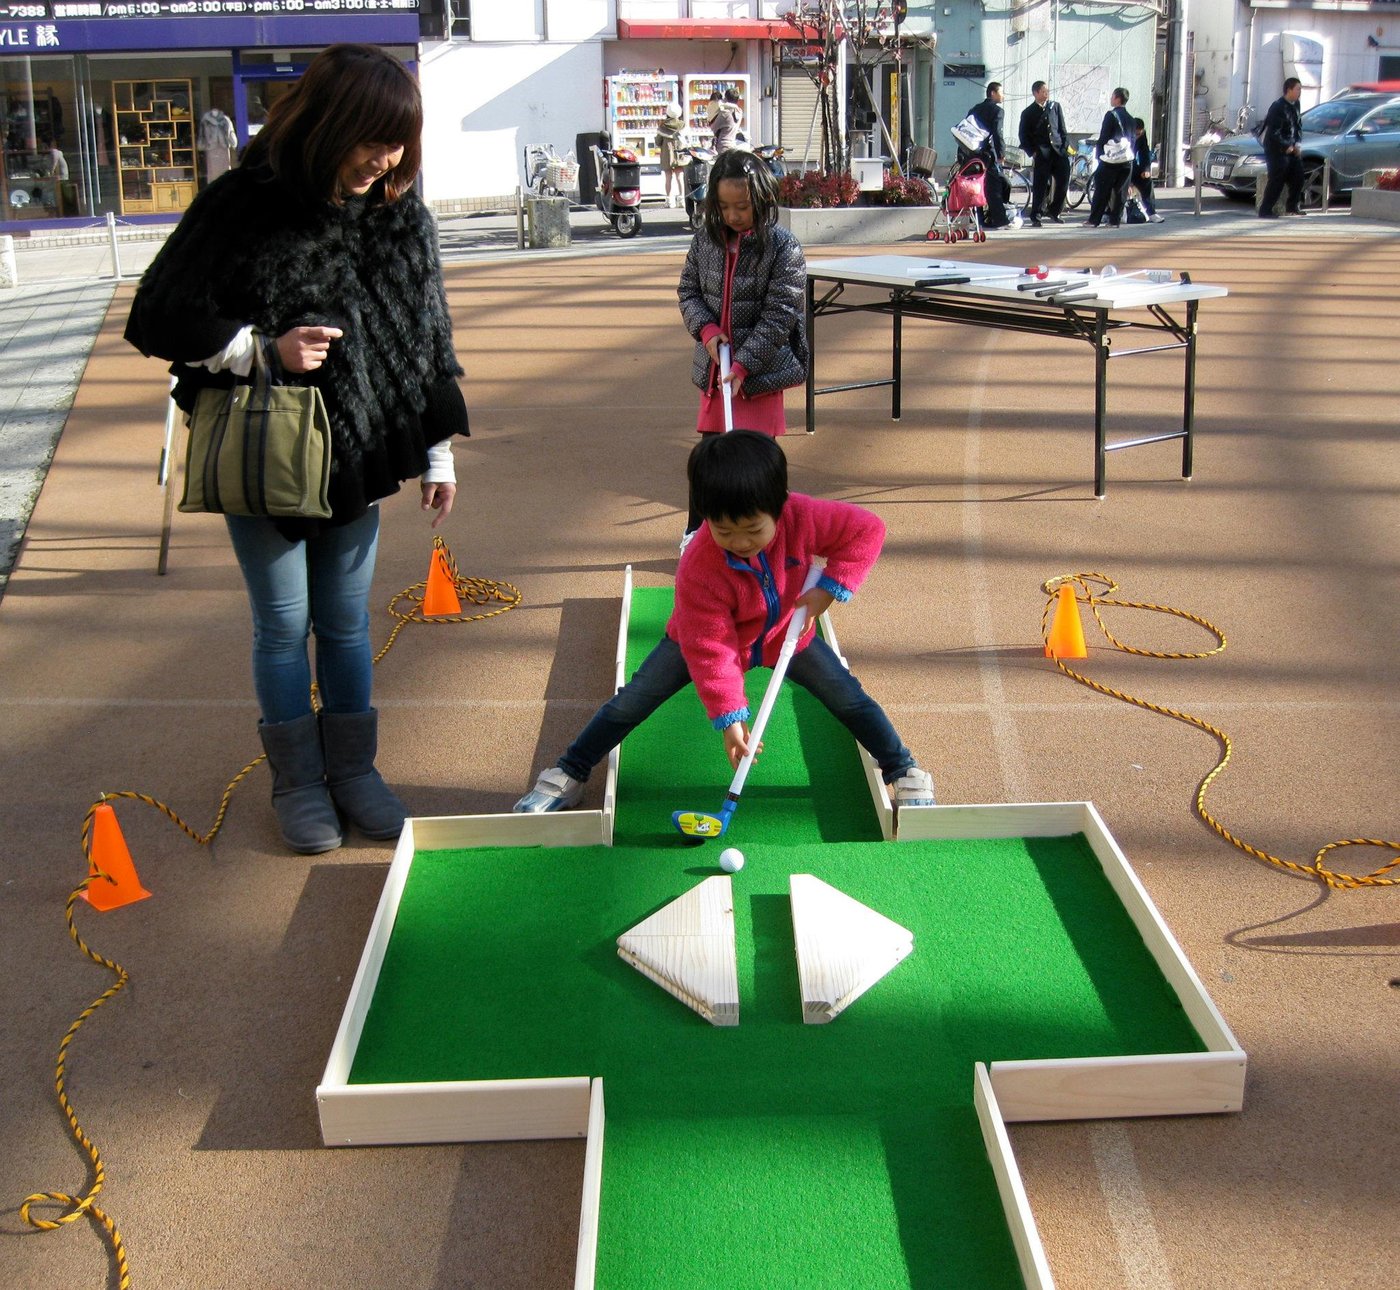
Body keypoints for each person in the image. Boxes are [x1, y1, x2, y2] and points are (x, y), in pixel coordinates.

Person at [124, 44, 468, 855]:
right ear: (327, 123)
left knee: (345, 624)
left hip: (361, 450)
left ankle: (354, 773)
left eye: (398, 142)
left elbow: (425, 337)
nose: (383, 158)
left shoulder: (397, 212)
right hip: (264, 448)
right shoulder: (243, 202)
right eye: (370, 138)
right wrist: (255, 350)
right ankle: (297, 783)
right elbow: (158, 310)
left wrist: (437, 450)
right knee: (282, 625)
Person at [513, 431, 936, 815]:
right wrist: (731, 720)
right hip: (703, 641)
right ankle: (569, 772)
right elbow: (711, 649)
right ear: (705, 516)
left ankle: (902, 769)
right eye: (723, 531)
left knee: (849, 699)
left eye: (753, 530)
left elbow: (866, 531)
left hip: (784, 633)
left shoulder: (802, 516)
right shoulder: (699, 566)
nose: (740, 543)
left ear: (779, 504)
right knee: (631, 702)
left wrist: (830, 587)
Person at [676, 148, 808, 539]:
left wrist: (744, 365)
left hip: (759, 377)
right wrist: (708, 332)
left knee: (755, 465)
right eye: (724, 206)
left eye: (743, 206)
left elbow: (780, 315)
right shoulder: (706, 241)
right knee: (710, 461)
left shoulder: (784, 247)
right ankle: (697, 536)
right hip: (717, 374)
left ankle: (766, 539)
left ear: (763, 200)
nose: (733, 216)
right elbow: (688, 292)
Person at [958, 81, 1010, 229]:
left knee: (975, 186)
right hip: (987, 155)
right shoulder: (997, 111)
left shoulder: (975, 108)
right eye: (1001, 92)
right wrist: (1001, 153)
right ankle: (999, 220)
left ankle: (977, 219)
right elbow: (997, 133)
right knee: (994, 188)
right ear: (993, 93)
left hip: (971, 154)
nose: (1003, 96)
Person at [1017, 80, 1070, 227]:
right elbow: (1023, 135)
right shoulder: (1028, 112)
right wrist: (1032, 152)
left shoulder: (1055, 107)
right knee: (1040, 186)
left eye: (1047, 91)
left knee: (1063, 181)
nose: (1046, 94)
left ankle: (1054, 210)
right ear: (1036, 93)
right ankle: (1037, 215)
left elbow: (1062, 128)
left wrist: (1065, 146)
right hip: (1041, 153)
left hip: (1058, 152)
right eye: (1043, 92)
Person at [1084, 87, 1134, 228]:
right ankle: (1114, 221)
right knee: (1120, 192)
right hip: (1127, 160)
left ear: (1117, 98)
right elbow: (1133, 141)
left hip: (1110, 160)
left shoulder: (1111, 115)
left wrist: (1100, 155)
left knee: (1102, 190)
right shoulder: (1131, 119)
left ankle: (1094, 220)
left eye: (1112, 96)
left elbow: (1104, 137)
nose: (1111, 98)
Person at [1258, 77, 1305, 219]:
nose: (1299, 92)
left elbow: (1297, 126)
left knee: (1298, 176)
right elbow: (1274, 132)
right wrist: (1286, 146)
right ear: (1289, 89)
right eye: (1297, 89)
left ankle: (1292, 207)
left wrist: (1297, 144)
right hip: (1275, 149)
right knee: (1277, 179)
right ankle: (1265, 210)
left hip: (1291, 146)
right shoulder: (1277, 106)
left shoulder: (1296, 104)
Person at [1131, 117, 1164, 222]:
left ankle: (1151, 212)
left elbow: (1144, 152)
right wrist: (1128, 182)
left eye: (1140, 134)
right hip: (1119, 165)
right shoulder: (1123, 135)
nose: (1138, 136)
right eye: (1136, 134)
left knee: (1147, 181)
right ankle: (1109, 213)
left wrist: (1146, 170)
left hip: (1132, 163)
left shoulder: (1142, 135)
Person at [656, 103, 685, 208]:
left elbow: (658, 142)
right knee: (679, 177)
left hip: (667, 155)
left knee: (668, 177)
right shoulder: (682, 125)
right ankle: (682, 199)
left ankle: (669, 200)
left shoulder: (663, 126)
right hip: (679, 153)